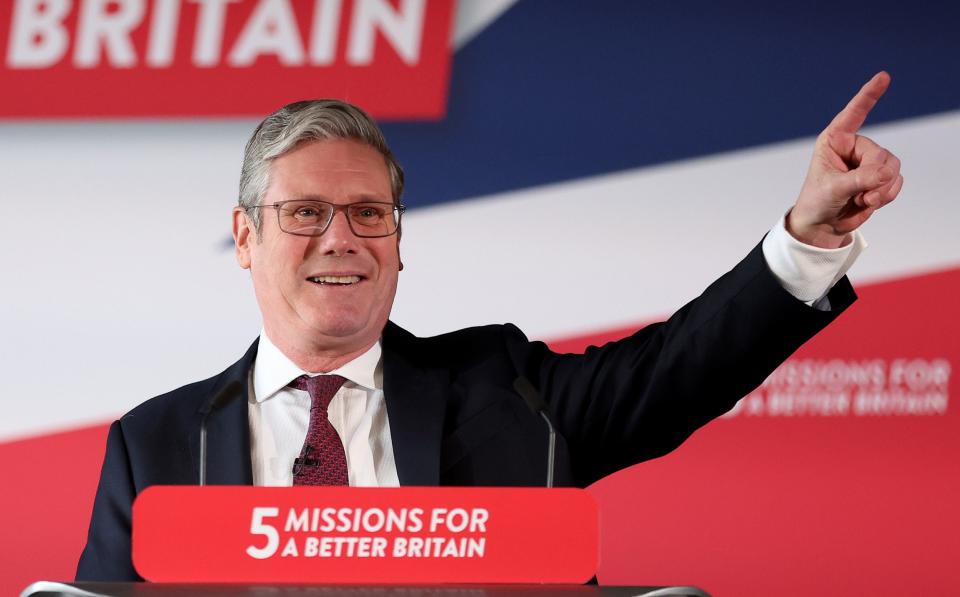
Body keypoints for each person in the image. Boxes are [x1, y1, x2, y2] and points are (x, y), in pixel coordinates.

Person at [76, 73, 903, 581]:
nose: (342, 237)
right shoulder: (152, 445)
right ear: (247, 236)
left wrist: (809, 235)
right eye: (305, 213)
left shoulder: (503, 389)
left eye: (370, 212)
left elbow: (676, 370)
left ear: (399, 244)